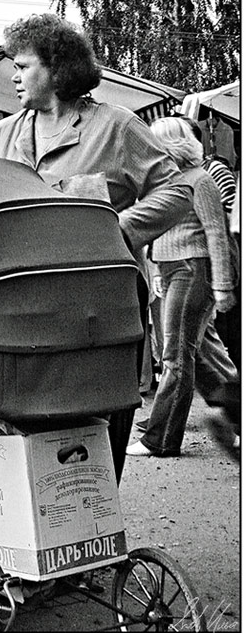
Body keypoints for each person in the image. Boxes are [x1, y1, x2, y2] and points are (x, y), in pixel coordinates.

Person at [0, 13, 193, 481]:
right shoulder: (3, 133)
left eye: (23, 65)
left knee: (94, 419)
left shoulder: (116, 126)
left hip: (102, 301)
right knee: (20, 415)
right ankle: (27, 528)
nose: (13, 75)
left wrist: (117, 227)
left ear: (56, 68)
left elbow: (177, 192)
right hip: (21, 304)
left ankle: (94, 514)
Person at [126, 117, 237, 457]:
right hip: (175, 271)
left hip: (192, 270)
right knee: (198, 355)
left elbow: (216, 231)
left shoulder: (200, 180)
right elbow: (159, 231)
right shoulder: (167, 183)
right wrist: (157, 268)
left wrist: (222, 285)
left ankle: (160, 439)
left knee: (175, 355)